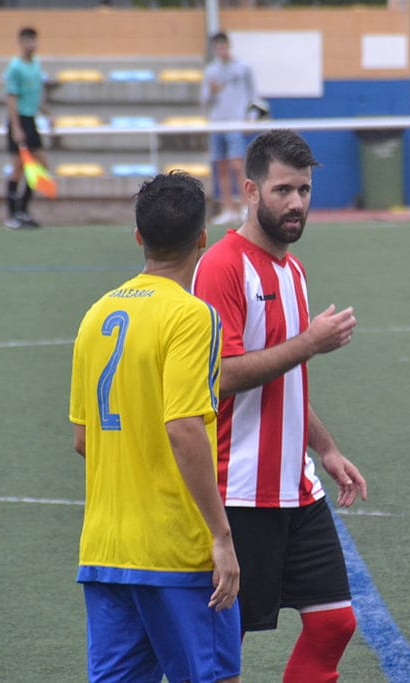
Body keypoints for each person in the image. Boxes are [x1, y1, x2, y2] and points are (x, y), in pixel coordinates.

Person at [192, 129, 368, 682]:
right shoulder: (222, 266)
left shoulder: (294, 272)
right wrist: (309, 343)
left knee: (334, 623)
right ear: (250, 190)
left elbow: (284, 380)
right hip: (240, 489)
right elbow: (219, 377)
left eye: (304, 190)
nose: (296, 203)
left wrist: (328, 447)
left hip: (298, 485)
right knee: (225, 642)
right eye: (282, 190)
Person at [68, 172, 241, 682]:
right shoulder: (192, 316)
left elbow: (83, 440)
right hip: (176, 551)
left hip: (105, 552)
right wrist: (222, 535)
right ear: (203, 240)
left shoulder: (96, 314)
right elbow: (184, 426)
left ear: (139, 237)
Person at [203, 31, 256, 226]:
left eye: (223, 46)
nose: (221, 50)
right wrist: (211, 91)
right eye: (217, 47)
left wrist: (251, 118)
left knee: (236, 164)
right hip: (217, 122)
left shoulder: (243, 68)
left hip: (235, 120)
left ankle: (245, 206)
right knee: (221, 166)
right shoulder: (211, 71)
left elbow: (254, 95)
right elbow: (204, 99)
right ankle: (228, 209)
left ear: (228, 46)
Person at [4, 26, 53, 230]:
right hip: (20, 121)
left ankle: (23, 210)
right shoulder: (15, 67)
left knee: (40, 165)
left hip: (31, 120)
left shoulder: (36, 65)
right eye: (28, 41)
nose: (32, 44)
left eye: (34, 40)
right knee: (18, 168)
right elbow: (11, 99)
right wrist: (16, 127)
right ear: (21, 42)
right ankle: (11, 215)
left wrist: (46, 113)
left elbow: (34, 93)